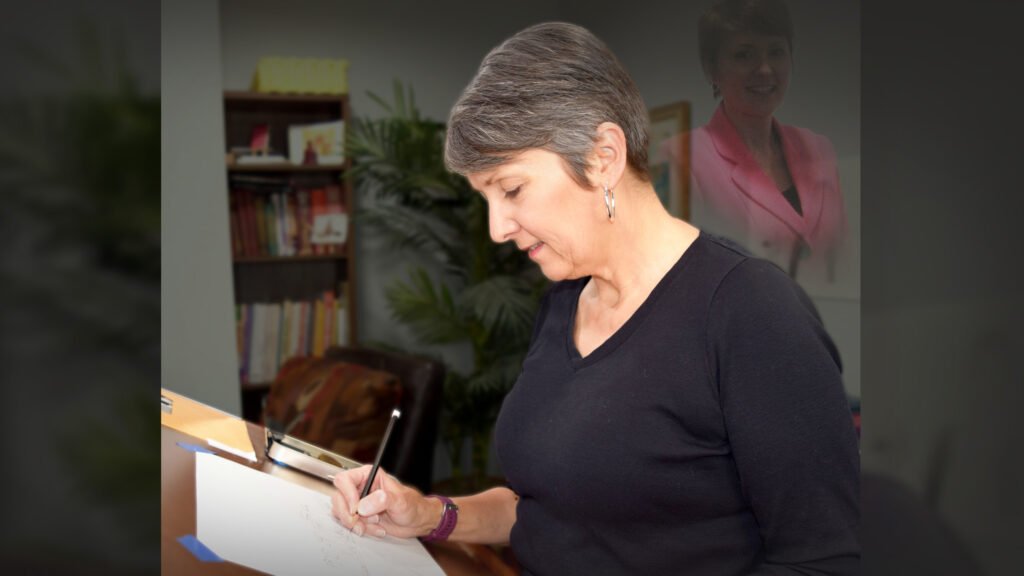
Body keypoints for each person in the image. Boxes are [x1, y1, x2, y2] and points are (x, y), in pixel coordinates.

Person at [331, 21, 859, 575]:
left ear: (604, 155)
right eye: (486, 198)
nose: (496, 229)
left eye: (510, 189)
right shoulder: (564, 303)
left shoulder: (751, 311)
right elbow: (542, 508)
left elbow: (824, 561)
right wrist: (424, 514)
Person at [672, 0, 847, 282]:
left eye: (776, 52)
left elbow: (841, 260)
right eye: (744, 55)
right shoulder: (684, 157)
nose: (765, 69)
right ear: (712, 69)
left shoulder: (819, 148)